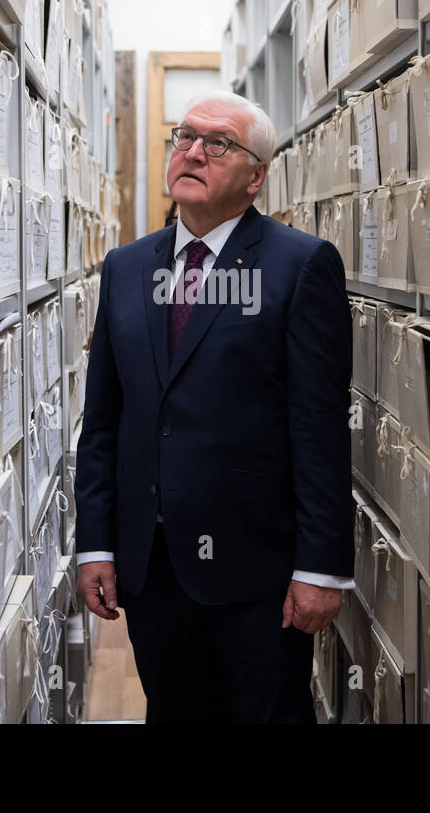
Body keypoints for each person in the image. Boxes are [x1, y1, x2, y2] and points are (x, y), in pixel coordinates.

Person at [74, 90, 353, 724]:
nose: (193, 151)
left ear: (256, 176)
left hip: (259, 573)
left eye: (218, 143)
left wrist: (322, 566)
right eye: (184, 136)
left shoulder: (300, 266)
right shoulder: (124, 267)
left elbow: (320, 428)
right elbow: (104, 420)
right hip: (152, 566)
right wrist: (96, 544)